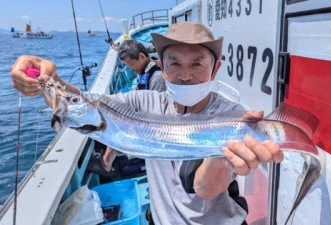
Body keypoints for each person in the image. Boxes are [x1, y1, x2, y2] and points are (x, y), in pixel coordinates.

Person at [11, 22, 283, 225]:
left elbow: (205, 189)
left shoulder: (232, 116)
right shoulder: (144, 103)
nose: (185, 75)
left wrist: (225, 157)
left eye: (197, 64)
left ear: (215, 69)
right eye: (174, 63)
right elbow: (84, 102)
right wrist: (45, 79)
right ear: (161, 67)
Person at [87, 39, 166, 177]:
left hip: (156, 129)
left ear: (142, 57)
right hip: (145, 120)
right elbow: (138, 92)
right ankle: (106, 161)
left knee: (119, 126)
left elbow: (160, 113)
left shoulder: (157, 78)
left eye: (130, 64)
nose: (130, 69)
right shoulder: (144, 72)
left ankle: (106, 163)